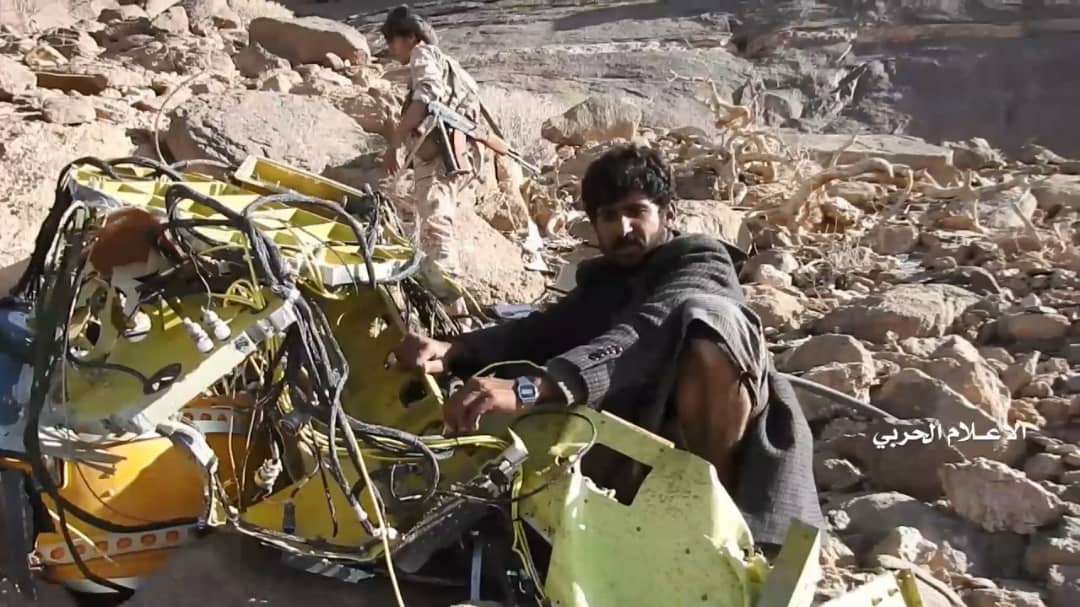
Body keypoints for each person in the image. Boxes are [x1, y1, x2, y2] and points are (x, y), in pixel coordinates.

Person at [391, 143, 823, 551]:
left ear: (668, 214)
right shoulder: (606, 282)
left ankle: (718, 521)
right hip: (639, 446)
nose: (623, 228)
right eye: (609, 216)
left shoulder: (701, 262)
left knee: (709, 321)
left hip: (733, 465)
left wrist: (529, 388)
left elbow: (642, 331)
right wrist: (454, 349)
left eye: (636, 212)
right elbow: (539, 331)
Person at [380, 5, 488, 325]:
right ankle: (450, 309)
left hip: (441, 153)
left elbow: (427, 97)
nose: (390, 48)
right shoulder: (451, 64)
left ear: (410, 37)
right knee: (433, 222)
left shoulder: (423, 54)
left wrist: (395, 142)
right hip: (458, 153)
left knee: (435, 222)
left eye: (392, 40)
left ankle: (454, 314)